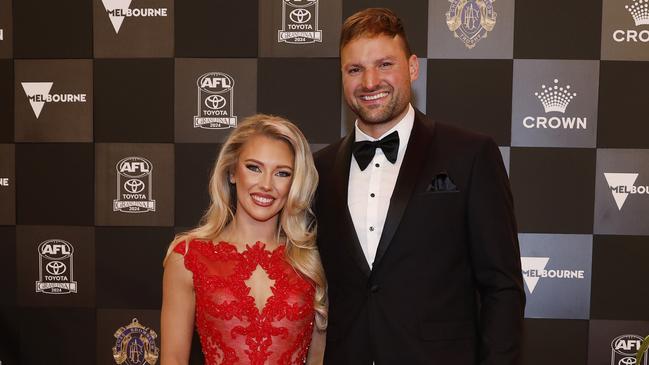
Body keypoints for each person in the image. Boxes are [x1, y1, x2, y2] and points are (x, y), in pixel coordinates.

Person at [314, 8, 525, 365]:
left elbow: (502, 288)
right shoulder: (319, 168)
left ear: (412, 67)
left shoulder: (470, 155)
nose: (369, 82)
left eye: (384, 64)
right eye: (355, 69)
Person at [161, 114, 327, 365]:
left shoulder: (313, 261)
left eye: (282, 173)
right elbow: (173, 359)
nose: (266, 185)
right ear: (232, 172)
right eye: (254, 168)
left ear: (294, 183)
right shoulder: (188, 256)